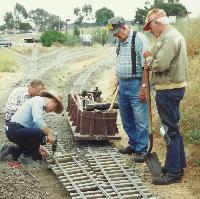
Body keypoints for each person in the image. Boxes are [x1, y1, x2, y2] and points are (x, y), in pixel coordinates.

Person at [143, 8, 188, 184]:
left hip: (168, 90)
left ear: (158, 22)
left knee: (169, 131)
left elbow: (160, 64)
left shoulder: (169, 38)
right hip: (173, 88)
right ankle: (176, 165)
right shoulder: (173, 35)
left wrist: (148, 60)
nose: (151, 31)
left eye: (151, 27)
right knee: (174, 129)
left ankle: (173, 172)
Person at [107, 16, 149, 163]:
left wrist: (144, 87)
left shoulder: (139, 39)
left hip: (136, 83)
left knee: (140, 119)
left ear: (124, 28)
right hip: (123, 85)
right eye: (115, 34)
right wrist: (118, 79)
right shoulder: (118, 40)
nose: (117, 36)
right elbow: (120, 60)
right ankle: (133, 144)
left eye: (118, 33)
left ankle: (142, 150)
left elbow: (146, 66)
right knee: (126, 118)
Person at [0, 90, 63, 165]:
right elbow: (38, 121)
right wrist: (49, 133)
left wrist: (39, 146)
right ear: (53, 101)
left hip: (19, 131)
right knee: (41, 133)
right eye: (54, 108)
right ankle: (25, 157)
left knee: (37, 156)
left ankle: (10, 150)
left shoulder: (39, 105)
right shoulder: (38, 101)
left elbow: (34, 128)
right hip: (14, 129)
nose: (52, 111)